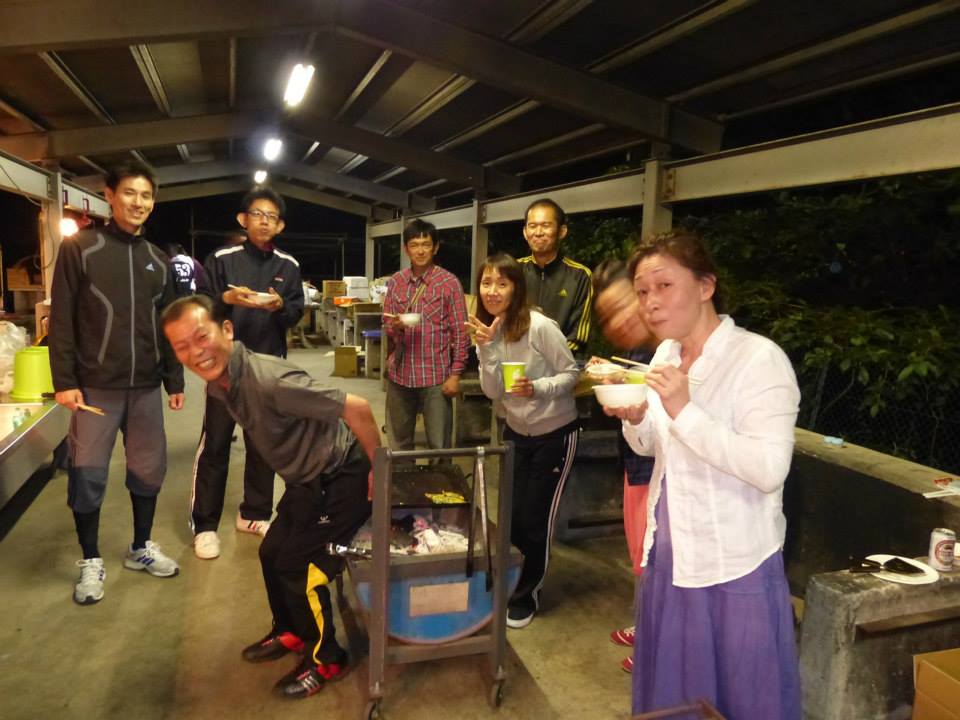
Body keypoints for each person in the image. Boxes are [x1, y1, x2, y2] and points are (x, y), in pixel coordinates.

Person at [608, 230, 801, 718]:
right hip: (671, 550)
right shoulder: (666, 355)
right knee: (677, 692)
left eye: (664, 285)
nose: (650, 302)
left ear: (705, 286)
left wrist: (684, 408)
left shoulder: (759, 359)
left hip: (734, 561)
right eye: (642, 291)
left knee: (740, 694)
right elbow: (656, 446)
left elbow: (768, 469)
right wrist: (636, 419)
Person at [162, 294, 380, 700]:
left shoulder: (269, 379)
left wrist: (379, 472)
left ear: (227, 330)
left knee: (302, 568)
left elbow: (359, 408)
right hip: (307, 480)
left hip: (342, 476)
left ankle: (327, 658)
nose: (196, 352)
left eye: (202, 337)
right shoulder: (221, 383)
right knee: (271, 552)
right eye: (182, 346)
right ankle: (292, 631)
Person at [49, 160, 185, 606]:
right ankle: (90, 558)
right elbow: (62, 318)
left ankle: (140, 547)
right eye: (129, 192)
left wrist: (175, 379)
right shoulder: (81, 248)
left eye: (146, 195)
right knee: (88, 473)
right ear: (109, 195)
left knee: (148, 469)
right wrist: (64, 380)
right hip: (94, 389)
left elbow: (170, 324)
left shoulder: (158, 260)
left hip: (145, 387)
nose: (138, 202)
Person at [466, 253, 579, 629]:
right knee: (512, 515)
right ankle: (511, 583)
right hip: (516, 432)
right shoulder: (488, 331)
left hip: (554, 433)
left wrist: (538, 388)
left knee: (535, 519)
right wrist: (485, 349)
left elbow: (571, 374)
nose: (492, 291)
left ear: (517, 287)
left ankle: (527, 594)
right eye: (486, 283)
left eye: (502, 283)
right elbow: (492, 390)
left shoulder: (540, 327)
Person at [191, 187, 304, 560]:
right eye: (257, 214)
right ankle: (205, 525)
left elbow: (296, 313)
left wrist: (280, 305)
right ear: (243, 219)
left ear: (280, 225)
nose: (264, 221)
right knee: (215, 446)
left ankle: (254, 514)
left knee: (263, 445)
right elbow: (200, 305)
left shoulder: (288, 266)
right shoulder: (222, 259)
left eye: (271, 216)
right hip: (225, 368)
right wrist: (225, 299)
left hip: (268, 369)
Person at [590, 258, 657, 673]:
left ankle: (655, 642)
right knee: (640, 555)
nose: (617, 321)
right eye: (607, 315)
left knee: (655, 559)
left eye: (623, 306)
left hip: (659, 472)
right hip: (636, 464)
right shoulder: (636, 351)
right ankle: (646, 624)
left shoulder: (672, 348)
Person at [382, 219, 469, 451]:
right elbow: (387, 323)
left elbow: (461, 332)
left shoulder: (449, 283)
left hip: (436, 377)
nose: (420, 250)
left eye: (426, 244)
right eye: (414, 245)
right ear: (406, 249)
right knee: (398, 443)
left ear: (435, 247)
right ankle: (402, 476)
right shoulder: (396, 282)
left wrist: (455, 374)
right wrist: (395, 326)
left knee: (439, 445)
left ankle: (440, 475)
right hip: (400, 374)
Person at [518, 198, 593, 357]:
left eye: (546, 225)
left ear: (562, 231)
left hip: (561, 364)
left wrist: (546, 359)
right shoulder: (514, 271)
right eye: (532, 226)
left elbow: (578, 336)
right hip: (517, 362)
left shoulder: (580, 276)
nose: (538, 232)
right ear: (525, 232)